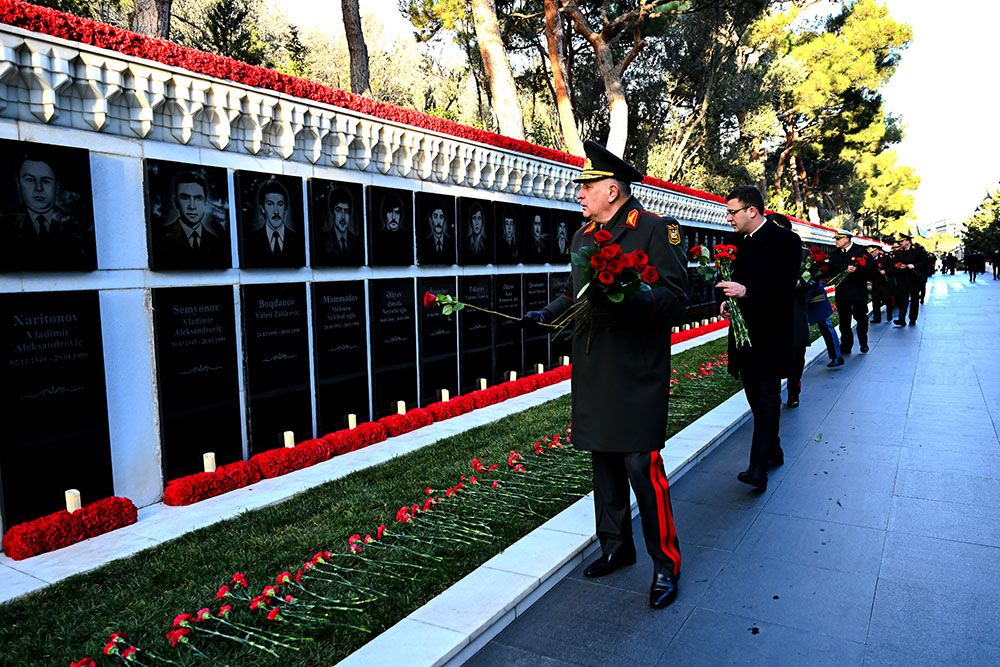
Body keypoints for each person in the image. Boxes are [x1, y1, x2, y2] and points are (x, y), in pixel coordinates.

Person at [523, 140, 688, 609]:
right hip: (595, 366)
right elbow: (574, 293)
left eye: (586, 185)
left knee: (641, 465)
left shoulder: (657, 231)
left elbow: (676, 296)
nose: (580, 193)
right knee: (604, 461)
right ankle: (616, 546)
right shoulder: (582, 237)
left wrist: (632, 297)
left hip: (636, 370)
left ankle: (666, 563)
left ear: (612, 190)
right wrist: (547, 313)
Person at [716, 185, 800, 491]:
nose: (728, 218)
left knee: (766, 399)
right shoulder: (732, 242)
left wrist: (747, 291)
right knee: (755, 397)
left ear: (752, 210)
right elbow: (723, 279)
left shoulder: (786, 240)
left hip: (771, 334)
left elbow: (784, 284)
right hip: (742, 336)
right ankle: (773, 450)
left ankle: (757, 468)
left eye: (732, 212)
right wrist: (726, 301)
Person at [1, 151, 90, 270]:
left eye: (46, 181)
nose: (38, 188)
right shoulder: (3, 222)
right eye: (30, 180)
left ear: (56, 185)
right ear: (18, 183)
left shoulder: (77, 223)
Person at [769, 214, 809, 408]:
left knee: (796, 355)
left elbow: (814, 278)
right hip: (771, 313)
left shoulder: (803, 254)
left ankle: (794, 391)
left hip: (794, 311)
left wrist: (800, 282)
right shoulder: (763, 251)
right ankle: (772, 394)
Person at [155, 170, 228, 269]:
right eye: (185, 198)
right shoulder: (160, 239)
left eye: (198, 198)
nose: (192, 206)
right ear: (175, 201)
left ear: (205, 203)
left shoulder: (217, 243)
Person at [828, 232, 872, 355]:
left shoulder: (860, 251)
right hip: (842, 293)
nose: (836, 242)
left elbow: (871, 266)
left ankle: (863, 342)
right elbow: (831, 269)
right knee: (844, 321)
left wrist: (858, 269)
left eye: (838, 239)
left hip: (858, 292)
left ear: (846, 239)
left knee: (861, 318)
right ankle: (846, 346)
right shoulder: (835, 254)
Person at [246, 178, 300, 267]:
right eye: (270, 204)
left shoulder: (298, 240)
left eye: (280, 204)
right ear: (262, 208)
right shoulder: (250, 242)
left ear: (285, 208)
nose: (276, 211)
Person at [892, 233, 928, 325]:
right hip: (903, 279)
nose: (900, 243)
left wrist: (914, 266)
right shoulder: (899, 252)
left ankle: (912, 318)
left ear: (908, 241)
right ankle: (901, 319)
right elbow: (895, 264)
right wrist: (899, 267)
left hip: (914, 279)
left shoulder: (918, 250)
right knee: (902, 300)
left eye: (902, 241)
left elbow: (926, 262)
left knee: (914, 300)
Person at [321, 186, 360, 259]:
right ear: (332, 213)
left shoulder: (357, 242)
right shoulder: (322, 241)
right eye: (338, 210)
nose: (343, 217)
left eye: (346, 211)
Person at [868, 245, 893, 323]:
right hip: (875, 283)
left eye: (873, 252)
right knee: (875, 301)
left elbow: (892, 267)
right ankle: (877, 318)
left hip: (885, 283)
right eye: (871, 252)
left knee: (887, 299)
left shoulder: (886, 258)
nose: (872, 254)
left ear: (877, 251)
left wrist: (885, 271)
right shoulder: (869, 259)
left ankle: (889, 314)